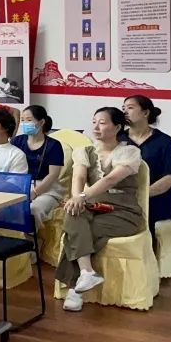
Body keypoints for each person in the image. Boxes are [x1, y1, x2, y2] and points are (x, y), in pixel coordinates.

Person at [58, 107, 145, 312]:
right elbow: (79, 177)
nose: (96, 127)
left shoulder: (130, 152)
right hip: (93, 205)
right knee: (73, 213)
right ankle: (87, 273)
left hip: (123, 211)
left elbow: (110, 179)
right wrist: (76, 198)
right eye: (94, 122)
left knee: (77, 233)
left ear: (117, 127)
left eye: (103, 123)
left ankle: (75, 289)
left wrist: (82, 197)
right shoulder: (85, 151)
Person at [122, 95, 171, 239]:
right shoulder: (118, 139)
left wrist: (143, 194)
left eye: (130, 107)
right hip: (123, 199)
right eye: (123, 108)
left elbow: (170, 177)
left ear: (146, 113)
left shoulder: (164, 141)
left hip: (156, 199)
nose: (125, 112)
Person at [10, 105, 65, 224]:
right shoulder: (16, 141)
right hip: (20, 185)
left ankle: (31, 235)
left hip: (46, 188)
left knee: (33, 210)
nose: (24, 123)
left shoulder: (54, 145)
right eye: (23, 120)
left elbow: (53, 175)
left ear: (41, 122)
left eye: (29, 120)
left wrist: (35, 192)